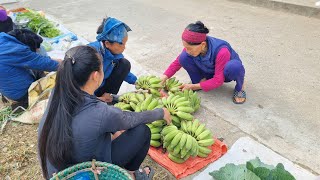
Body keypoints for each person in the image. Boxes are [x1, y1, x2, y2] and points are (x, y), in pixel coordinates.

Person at [38, 45, 172, 180]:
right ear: (96, 76)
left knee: (113, 132)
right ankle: (132, 174)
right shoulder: (100, 112)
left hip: (56, 173)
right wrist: (160, 112)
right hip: (87, 174)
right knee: (142, 131)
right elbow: (130, 119)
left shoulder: (58, 91)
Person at [161, 21, 246, 104]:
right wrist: (164, 77)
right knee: (183, 57)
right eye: (185, 47)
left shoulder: (222, 51)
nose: (187, 50)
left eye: (189, 48)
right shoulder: (194, 46)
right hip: (210, 70)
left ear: (203, 44)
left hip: (225, 72)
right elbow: (177, 62)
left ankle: (240, 87)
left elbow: (218, 80)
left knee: (235, 67)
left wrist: (193, 86)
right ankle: (201, 82)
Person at [0, 29, 60, 109]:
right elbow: (46, 64)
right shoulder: (16, 50)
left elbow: (35, 59)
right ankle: (24, 103)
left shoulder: (3, 39)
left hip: (5, 87)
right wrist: (67, 64)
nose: (37, 50)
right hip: (20, 94)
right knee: (55, 86)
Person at [88, 17, 137, 103]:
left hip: (101, 84)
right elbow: (79, 85)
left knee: (124, 64)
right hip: (86, 93)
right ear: (107, 43)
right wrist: (95, 99)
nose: (124, 48)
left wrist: (136, 81)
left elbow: (121, 72)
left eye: (125, 44)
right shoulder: (91, 55)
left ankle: (106, 96)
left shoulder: (113, 54)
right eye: (121, 44)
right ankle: (97, 101)